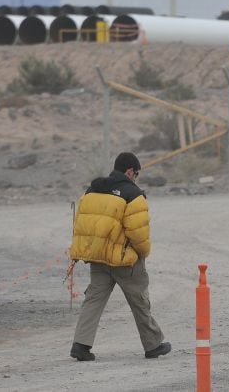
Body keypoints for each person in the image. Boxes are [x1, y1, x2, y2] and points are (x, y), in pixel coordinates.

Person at [68, 152, 171, 361]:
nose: (136, 178)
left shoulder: (92, 190)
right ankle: (153, 345)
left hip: (98, 258)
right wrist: (143, 254)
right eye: (137, 174)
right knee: (139, 300)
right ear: (130, 171)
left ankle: (81, 345)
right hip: (124, 261)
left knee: (93, 301)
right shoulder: (133, 194)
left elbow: (83, 224)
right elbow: (138, 233)